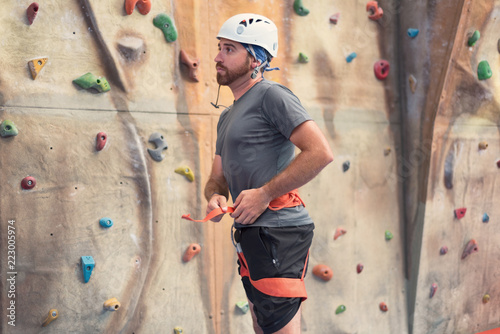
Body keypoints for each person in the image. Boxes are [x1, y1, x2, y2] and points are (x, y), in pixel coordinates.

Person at [204, 13, 334, 334]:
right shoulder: (227, 118)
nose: (218, 57)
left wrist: (264, 194)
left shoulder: (272, 97)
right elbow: (216, 178)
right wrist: (215, 197)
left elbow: (320, 153)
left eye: (229, 49)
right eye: (220, 47)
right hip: (251, 233)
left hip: (279, 231)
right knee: (262, 327)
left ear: (255, 59)